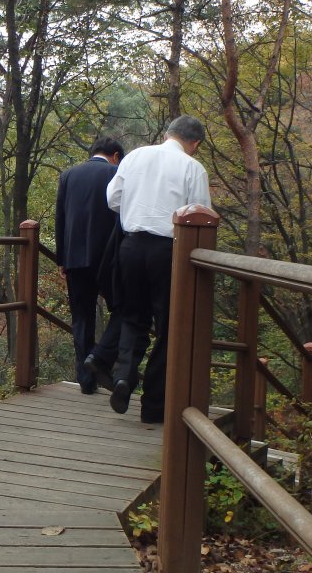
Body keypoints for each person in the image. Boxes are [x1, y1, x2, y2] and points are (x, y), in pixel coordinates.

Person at [105, 115, 211, 423]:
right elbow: (202, 216)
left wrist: (138, 207)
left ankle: (124, 375)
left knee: (132, 316)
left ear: (168, 134)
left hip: (131, 246)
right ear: (195, 143)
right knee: (169, 325)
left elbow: (113, 199)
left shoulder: (135, 156)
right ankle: (153, 405)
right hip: (169, 250)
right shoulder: (193, 168)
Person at [55, 137, 126, 394]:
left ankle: (86, 382)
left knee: (81, 318)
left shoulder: (69, 175)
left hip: (75, 258)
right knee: (124, 309)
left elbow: (60, 218)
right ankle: (104, 360)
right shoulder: (117, 173)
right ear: (115, 155)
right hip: (109, 259)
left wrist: (61, 259)